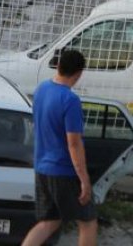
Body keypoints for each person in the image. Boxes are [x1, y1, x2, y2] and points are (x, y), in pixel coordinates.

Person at [22, 49, 97, 246]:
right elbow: (73, 143)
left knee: (49, 221)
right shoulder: (70, 100)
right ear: (79, 73)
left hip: (42, 167)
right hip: (64, 170)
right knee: (88, 221)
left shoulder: (42, 89)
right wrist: (84, 179)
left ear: (58, 65)